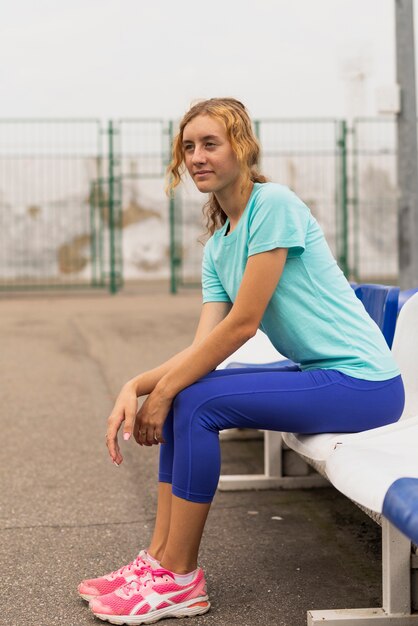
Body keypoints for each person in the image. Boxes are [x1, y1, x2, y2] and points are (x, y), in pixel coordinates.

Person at [78, 98, 404, 625]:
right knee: (190, 390)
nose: (197, 157)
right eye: (188, 147)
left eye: (210, 144)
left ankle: (180, 580)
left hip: (364, 383)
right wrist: (137, 385)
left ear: (242, 148)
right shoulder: (217, 247)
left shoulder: (273, 205)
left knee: (196, 401)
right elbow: (201, 349)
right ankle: (159, 562)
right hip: (320, 374)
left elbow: (242, 324)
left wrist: (161, 393)